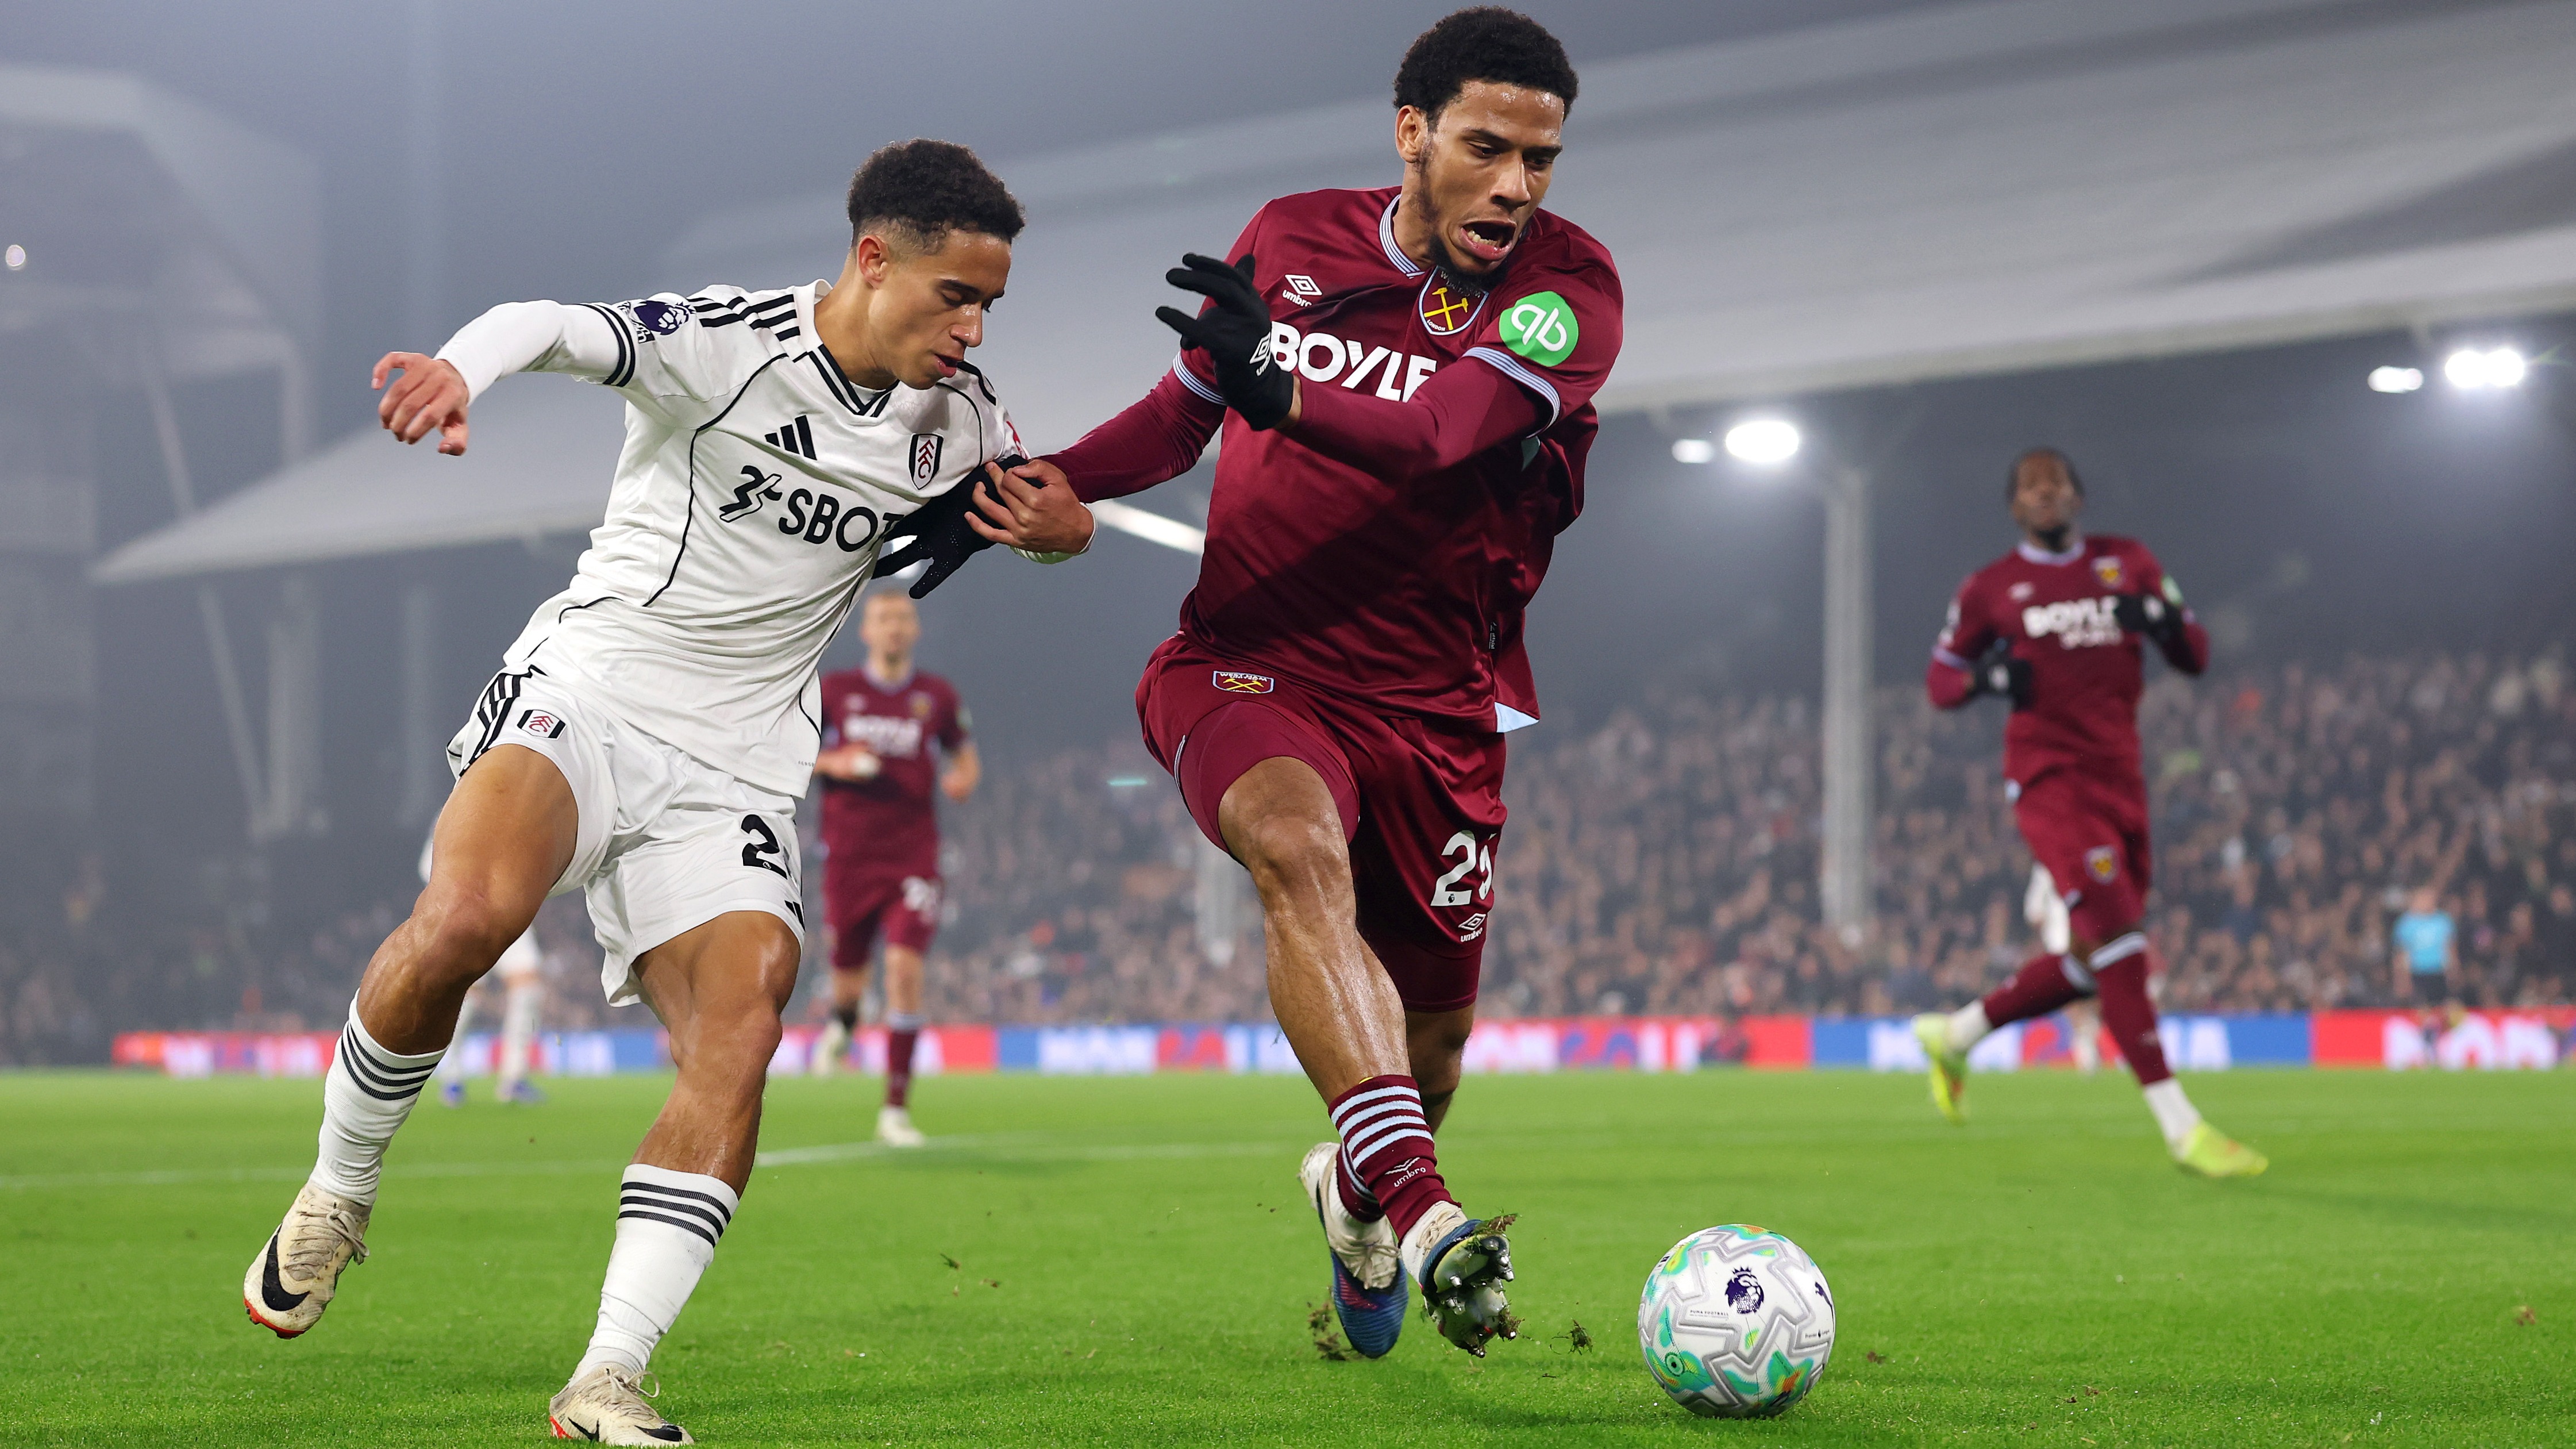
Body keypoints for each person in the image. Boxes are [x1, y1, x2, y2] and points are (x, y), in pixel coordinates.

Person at [237, 139, 1095, 1445]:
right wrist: (458, 371)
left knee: (741, 1036)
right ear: (874, 260)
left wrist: (1058, 531)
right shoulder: (724, 341)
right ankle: (336, 1189)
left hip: (739, 762)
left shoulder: (960, 419)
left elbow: (1052, 510)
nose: (973, 330)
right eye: (954, 297)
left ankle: (605, 1375)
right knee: (465, 922)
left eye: (990, 306)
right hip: (592, 685)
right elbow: (550, 322)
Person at [994, 7, 1619, 1358]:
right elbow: (1182, 413)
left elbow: (1440, 437)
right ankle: (1433, 1215)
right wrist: (1041, 480)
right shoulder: (1290, 237)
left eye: (1542, 158)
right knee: (1291, 849)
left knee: (1431, 1053)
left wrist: (1276, 393)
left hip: (1443, 708)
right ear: (1412, 133)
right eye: (1486, 147)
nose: (1516, 186)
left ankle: (1356, 1192)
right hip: (1247, 661)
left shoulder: (1570, 290)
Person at [1912, 447, 2266, 1178]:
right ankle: (2182, 1128)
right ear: (2015, 506)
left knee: (2091, 958)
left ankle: (1955, 1035)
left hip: (2121, 778)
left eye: (2056, 482)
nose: (2045, 493)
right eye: (2030, 486)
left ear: (2077, 494)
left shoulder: (2127, 562)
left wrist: (2160, 617)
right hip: (2049, 776)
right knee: (2117, 940)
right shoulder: (1991, 588)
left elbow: (2195, 653)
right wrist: (1989, 675)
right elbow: (1941, 681)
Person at [807, 591, 978, 1150]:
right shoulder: (834, 692)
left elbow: (963, 750)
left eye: (903, 618)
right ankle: (844, 1019)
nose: (894, 628)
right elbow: (789, 749)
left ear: (916, 629)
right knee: (849, 975)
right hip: (850, 857)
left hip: (913, 856)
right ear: (865, 631)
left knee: (904, 971)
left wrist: (962, 778)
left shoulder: (935, 696)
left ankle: (895, 1108)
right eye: (883, 618)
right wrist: (835, 762)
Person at [419, 836, 549, 1107]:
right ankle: (451, 1077)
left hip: (512, 910)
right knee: (467, 996)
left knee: (528, 988)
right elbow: (428, 865)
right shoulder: (456, 806)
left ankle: (514, 1079)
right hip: (470, 912)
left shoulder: (519, 804)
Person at [2389, 886, 2457, 1002]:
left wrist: (2453, 972)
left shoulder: (2443, 921)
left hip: (2439, 971)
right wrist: (2402, 979)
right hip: (2417, 973)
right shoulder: (2406, 923)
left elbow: (2450, 948)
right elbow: (2401, 953)